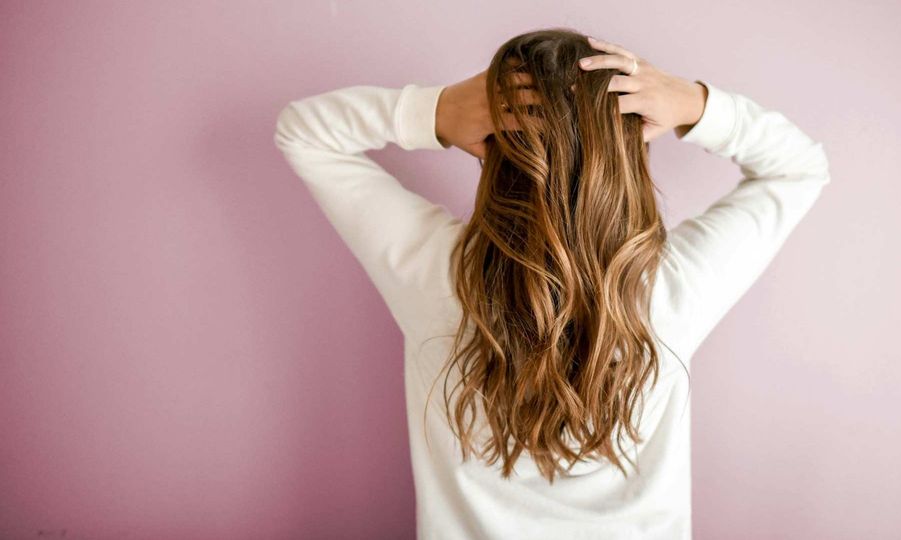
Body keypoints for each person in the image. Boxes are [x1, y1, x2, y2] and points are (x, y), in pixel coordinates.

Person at [274, 28, 830, 540]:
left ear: (490, 146)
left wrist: (436, 110)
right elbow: (799, 167)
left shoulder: (438, 275)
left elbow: (303, 132)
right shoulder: (669, 290)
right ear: (632, 151)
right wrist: (694, 105)